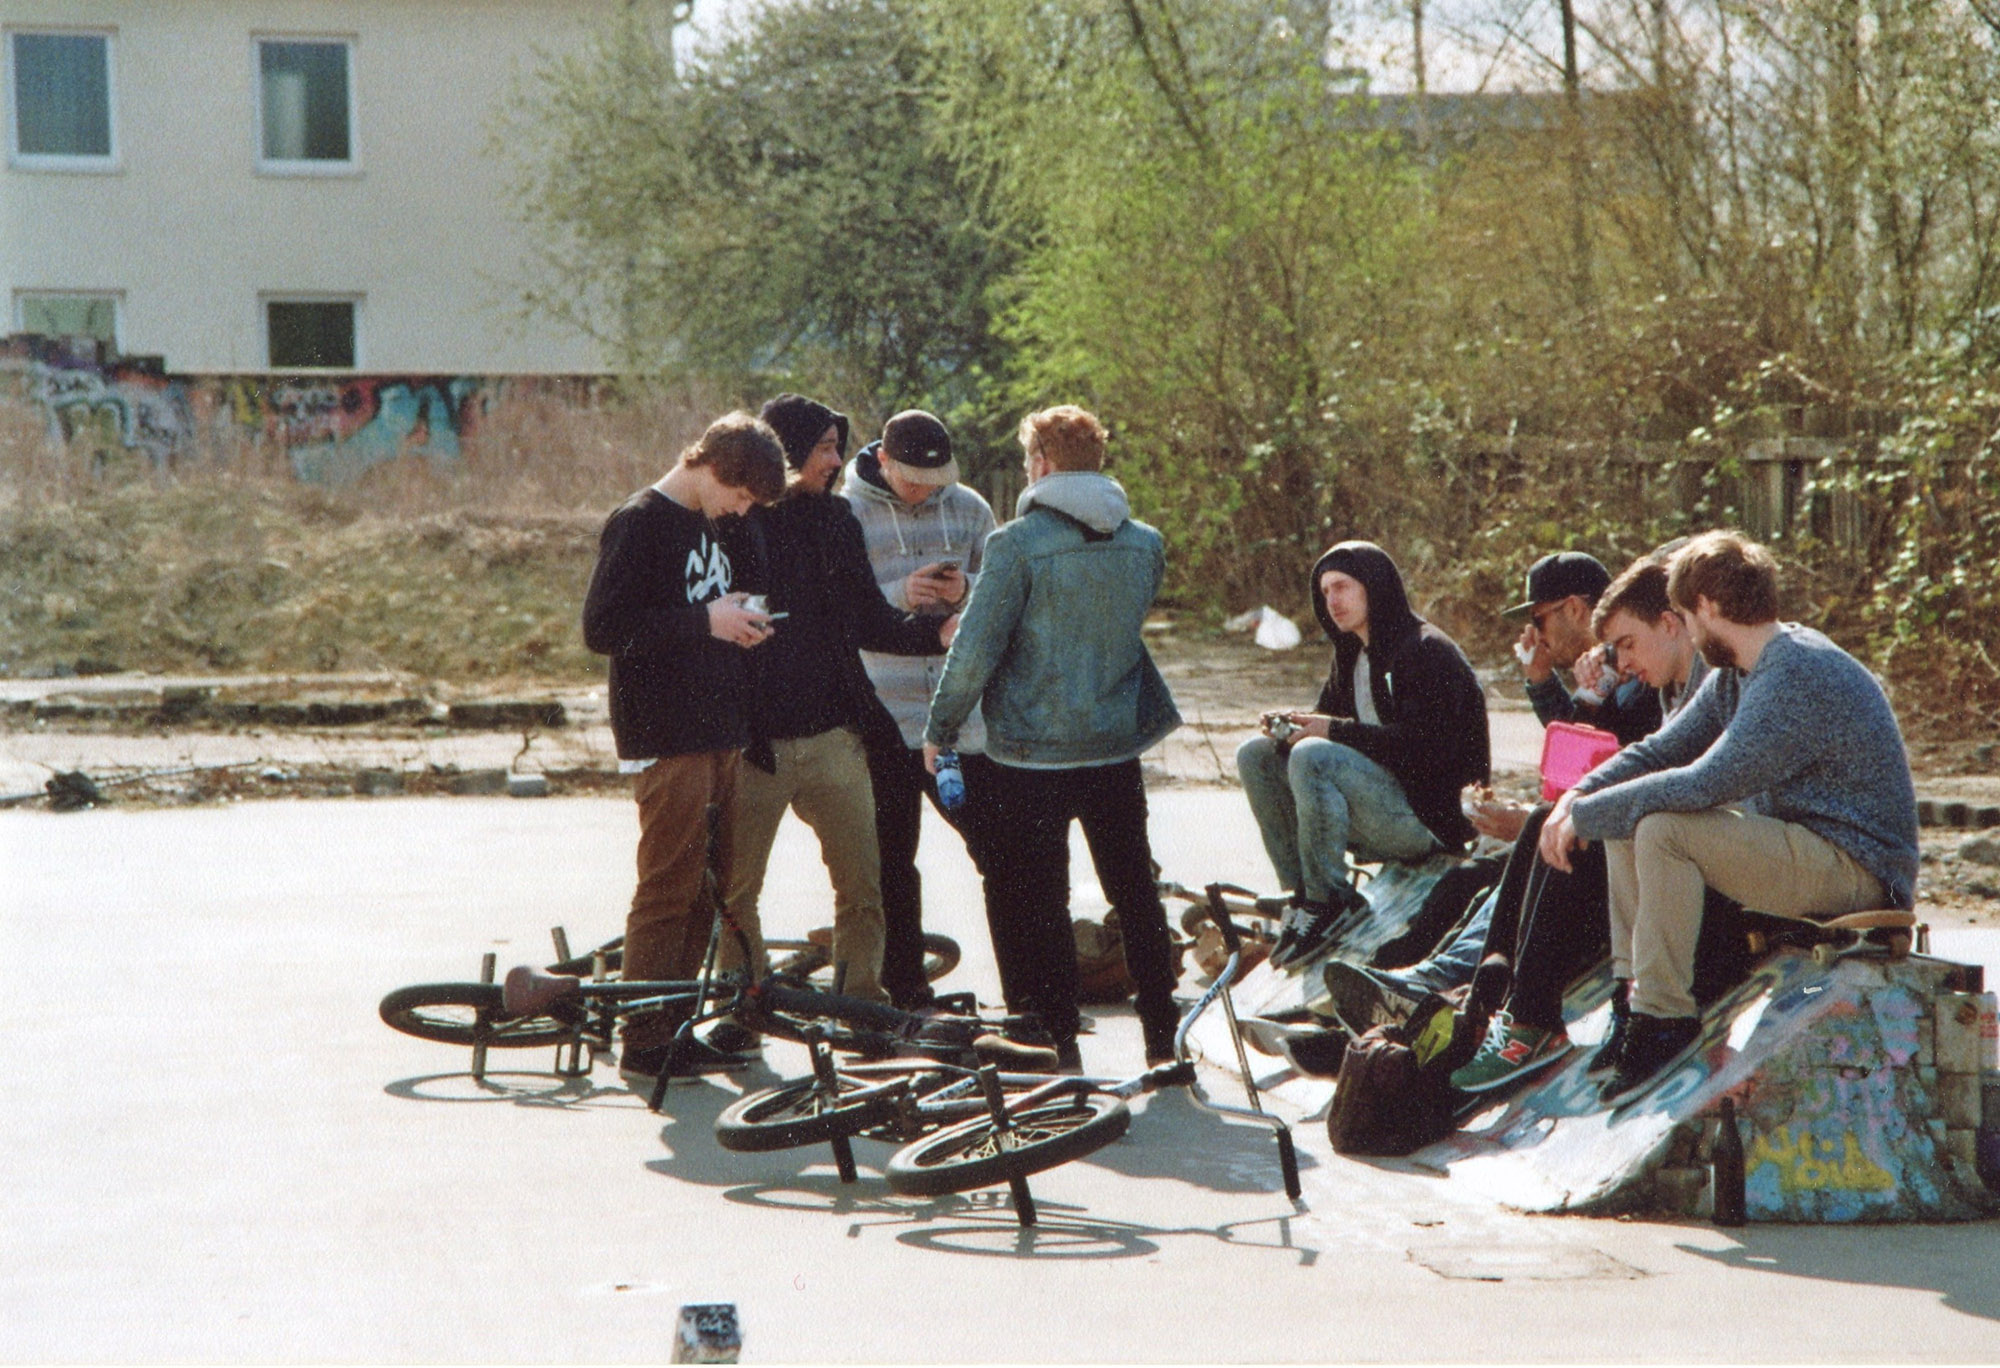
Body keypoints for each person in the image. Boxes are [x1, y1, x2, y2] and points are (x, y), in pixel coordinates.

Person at [1541, 530, 1920, 1103]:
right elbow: (1659, 751)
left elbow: (1707, 781)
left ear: (1707, 608)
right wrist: (1577, 798)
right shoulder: (1739, 671)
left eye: (1687, 618)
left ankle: (1664, 1018)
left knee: (1664, 827)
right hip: (1805, 844)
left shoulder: (1796, 671)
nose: (1689, 634)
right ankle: (1630, 998)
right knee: (1633, 811)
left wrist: (1587, 813)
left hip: (1861, 869)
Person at [923, 405, 1182, 1068]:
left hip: (1031, 751)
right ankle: (1161, 1034)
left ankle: (1054, 1038)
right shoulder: (1144, 542)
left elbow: (975, 651)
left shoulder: (1017, 544)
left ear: (1038, 464)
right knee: (1134, 888)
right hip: (1114, 742)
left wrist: (941, 728)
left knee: (1038, 895)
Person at [1444, 555, 1713, 1091]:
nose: (1622, 660)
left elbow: (1684, 775)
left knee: (1574, 825)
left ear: (1671, 623)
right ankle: (1496, 991)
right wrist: (1579, 702)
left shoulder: (1705, 679)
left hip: (1689, 859)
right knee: (1547, 824)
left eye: (1626, 645)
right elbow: (1596, 764)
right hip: (1662, 849)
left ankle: (1533, 1014)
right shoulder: (1664, 685)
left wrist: (1579, 801)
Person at [720, 394, 953, 1012]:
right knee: (736, 894)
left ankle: (859, 1007)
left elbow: (869, 621)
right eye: (825, 447)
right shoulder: (738, 522)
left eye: (835, 445)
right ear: (789, 452)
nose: (837, 460)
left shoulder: (838, 522)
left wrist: (934, 633)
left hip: (834, 736)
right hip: (755, 745)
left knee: (863, 888)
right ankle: (743, 1008)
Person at [579, 411, 787, 1078]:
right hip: (665, 731)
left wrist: (738, 617)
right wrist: (706, 620)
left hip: (719, 725)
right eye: (742, 495)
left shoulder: (712, 524)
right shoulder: (640, 521)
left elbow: (709, 610)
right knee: (668, 882)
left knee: (710, 885)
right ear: (713, 469)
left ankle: (671, 1022)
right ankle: (643, 1037)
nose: (742, 510)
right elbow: (604, 627)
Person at [1239, 541, 1491, 969]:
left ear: (1374, 587)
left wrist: (1329, 731)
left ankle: (1330, 901)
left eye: (1342, 587)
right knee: (1256, 755)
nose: (1332, 601)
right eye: (1324, 592)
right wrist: (1293, 729)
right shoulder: (1351, 652)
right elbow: (1333, 732)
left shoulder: (1425, 649)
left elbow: (1429, 751)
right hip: (1380, 808)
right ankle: (1301, 899)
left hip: (1431, 819)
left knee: (1314, 755)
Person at [842, 410, 1000, 1009]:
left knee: (998, 849)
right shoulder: (847, 513)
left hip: (960, 716)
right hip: (881, 713)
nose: (926, 491)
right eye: (912, 478)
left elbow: (1007, 584)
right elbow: (837, 606)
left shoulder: (970, 507)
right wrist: (897, 597)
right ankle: (905, 993)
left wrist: (965, 591)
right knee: (890, 865)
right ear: (881, 459)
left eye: (935, 480)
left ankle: (1032, 989)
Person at [1505, 551, 1661, 752]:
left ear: (1573, 609)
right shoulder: (1606, 670)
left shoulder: (1639, 668)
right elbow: (1578, 744)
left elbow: (1587, 755)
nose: (1536, 634)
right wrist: (1541, 681)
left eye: (1538, 620)